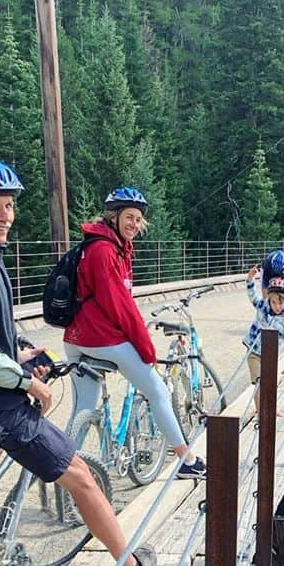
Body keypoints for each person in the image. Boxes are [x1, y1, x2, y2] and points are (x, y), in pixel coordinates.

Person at [0, 159, 155, 566]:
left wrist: (21, 351)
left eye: (9, 205)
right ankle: (131, 565)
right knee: (81, 475)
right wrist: (27, 381)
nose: (5, 215)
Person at [63, 186, 206, 479]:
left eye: (138, 219)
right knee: (158, 390)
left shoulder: (107, 246)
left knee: (82, 411)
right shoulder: (104, 251)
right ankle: (186, 461)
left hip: (76, 338)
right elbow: (120, 307)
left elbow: (118, 302)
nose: (134, 224)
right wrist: (146, 349)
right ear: (113, 217)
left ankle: (65, 472)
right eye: (129, 217)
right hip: (101, 339)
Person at [244, 266, 284, 409]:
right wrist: (250, 279)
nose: (277, 306)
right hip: (254, 352)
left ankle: (272, 408)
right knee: (259, 382)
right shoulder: (263, 306)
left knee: (270, 382)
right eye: (273, 302)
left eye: (280, 303)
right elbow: (252, 296)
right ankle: (260, 411)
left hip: (270, 355)